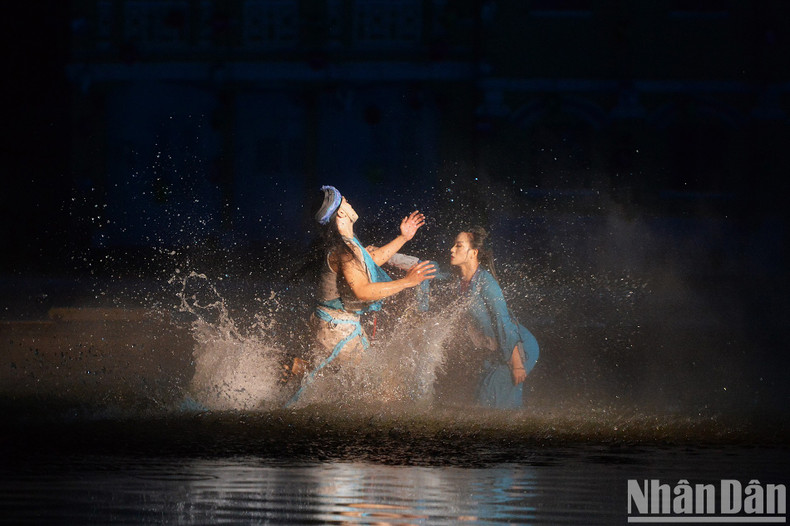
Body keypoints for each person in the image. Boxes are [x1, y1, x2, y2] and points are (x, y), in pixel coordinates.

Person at [285, 185, 436, 406]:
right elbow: (363, 291)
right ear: (341, 214)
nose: (349, 201)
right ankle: (375, 438)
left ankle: (299, 367)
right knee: (383, 386)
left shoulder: (345, 245)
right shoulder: (343, 250)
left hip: (329, 325)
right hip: (337, 329)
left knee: (344, 380)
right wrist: (406, 282)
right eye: (344, 200)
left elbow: (369, 259)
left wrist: (403, 238)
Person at [446, 227, 539, 409]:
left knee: (493, 402)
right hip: (497, 350)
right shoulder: (458, 281)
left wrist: (517, 364)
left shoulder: (486, 283)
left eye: (458, 246)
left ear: (473, 253)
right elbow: (427, 269)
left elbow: (503, 321)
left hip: (518, 347)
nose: (451, 249)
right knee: (483, 400)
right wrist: (380, 256)